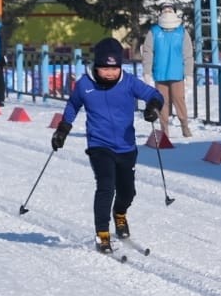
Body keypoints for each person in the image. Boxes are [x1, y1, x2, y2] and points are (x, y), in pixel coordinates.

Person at [52, 37, 164, 254]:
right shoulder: (85, 85)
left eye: (114, 68)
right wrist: (63, 129)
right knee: (106, 186)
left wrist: (153, 106)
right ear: (96, 66)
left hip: (126, 146)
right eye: (105, 68)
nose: (110, 73)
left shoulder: (129, 82)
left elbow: (155, 95)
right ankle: (102, 233)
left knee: (127, 192)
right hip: (99, 145)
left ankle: (120, 213)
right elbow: (73, 106)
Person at [139, 3, 193, 138]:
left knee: (179, 100)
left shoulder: (181, 32)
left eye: (170, 9)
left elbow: (188, 54)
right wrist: (146, 71)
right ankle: (164, 130)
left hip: (177, 73)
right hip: (160, 73)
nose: (167, 11)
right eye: (164, 9)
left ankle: (184, 126)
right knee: (162, 102)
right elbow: (147, 52)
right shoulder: (154, 31)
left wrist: (189, 73)